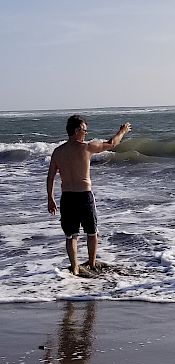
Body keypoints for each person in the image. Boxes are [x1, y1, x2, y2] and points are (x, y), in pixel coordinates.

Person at [47, 115, 131, 276]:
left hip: (67, 197)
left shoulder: (58, 152)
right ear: (77, 130)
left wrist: (50, 198)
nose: (86, 133)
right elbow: (112, 144)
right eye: (84, 130)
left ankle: (76, 267)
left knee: (71, 235)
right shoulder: (87, 148)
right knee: (92, 232)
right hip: (84, 196)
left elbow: (50, 177)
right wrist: (122, 131)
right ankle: (92, 264)